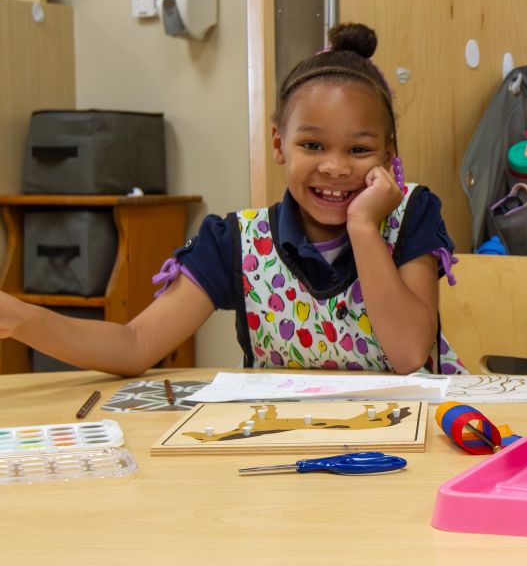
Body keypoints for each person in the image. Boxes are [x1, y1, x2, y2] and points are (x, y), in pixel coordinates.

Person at [0, 23, 465, 377]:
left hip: (408, 455)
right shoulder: (237, 241)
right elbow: (135, 343)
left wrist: (364, 227)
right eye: (313, 145)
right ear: (279, 143)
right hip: (285, 459)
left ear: (389, 153)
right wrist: (21, 318)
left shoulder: (412, 215)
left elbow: (407, 354)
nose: (336, 168)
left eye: (359, 150)